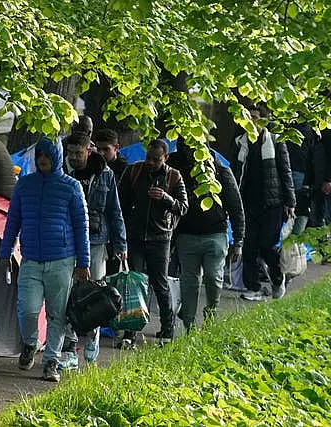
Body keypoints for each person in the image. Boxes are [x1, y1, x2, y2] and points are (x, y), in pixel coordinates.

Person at [0, 137, 90, 382]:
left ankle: (51, 360)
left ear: (57, 157)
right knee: (27, 309)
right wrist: (5, 251)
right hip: (30, 259)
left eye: (47, 156)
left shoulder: (71, 187)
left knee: (57, 314)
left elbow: (81, 226)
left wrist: (84, 262)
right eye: (39, 155)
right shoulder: (24, 186)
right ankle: (30, 343)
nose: (42, 160)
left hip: (62, 260)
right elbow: (13, 221)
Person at [62, 132, 127, 362]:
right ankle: (70, 344)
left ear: (88, 151)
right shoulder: (62, 173)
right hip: (67, 241)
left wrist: (121, 244)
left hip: (97, 240)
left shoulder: (105, 175)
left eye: (78, 153)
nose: (74, 157)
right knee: (69, 293)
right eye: (70, 153)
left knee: (96, 292)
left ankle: (93, 338)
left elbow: (114, 211)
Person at [167, 138, 244, 327]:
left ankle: (211, 311)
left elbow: (236, 206)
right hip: (186, 235)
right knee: (189, 282)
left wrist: (239, 240)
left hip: (215, 234)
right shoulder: (176, 171)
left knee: (213, 277)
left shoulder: (221, 172)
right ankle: (189, 325)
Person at [119, 139, 188, 347]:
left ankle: (167, 328)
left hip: (160, 238)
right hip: (136, 236)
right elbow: (121, 202)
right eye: (148, 158)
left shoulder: (174, 176)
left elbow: (184, 207)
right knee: (135, 284)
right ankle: (129, 333)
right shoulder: (134, 171)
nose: (150, 162)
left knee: (160, 284)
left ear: (165, 158)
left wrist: (166, 198)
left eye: (155, 159)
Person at [232, 106, 296, 301]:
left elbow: (285, 171)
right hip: (247, 203)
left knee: (267, 245)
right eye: (247, 117)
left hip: (272, 203)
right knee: (249, 247)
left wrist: (290, 201)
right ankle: (254, 287)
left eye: (254, 117)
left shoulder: (275, 141)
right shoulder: (239, 142)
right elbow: (235, 174)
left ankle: (278, 278)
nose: (251, 121)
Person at [95, 128, 129, 276]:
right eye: (98, 149)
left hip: (117, 228)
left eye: (106, 149)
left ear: (116, 148)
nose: (101, 153)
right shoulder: (92, 167)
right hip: (98, 228)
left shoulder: (126, 170)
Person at [306, 121, 331, 248]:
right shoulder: (313, 132)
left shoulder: (330, 131)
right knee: (317, 216)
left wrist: (329, 180)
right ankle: (321, 248)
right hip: (318, 181)